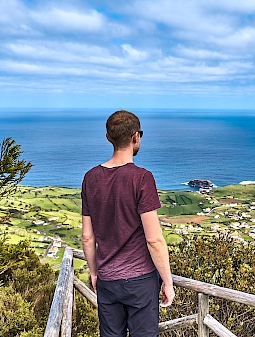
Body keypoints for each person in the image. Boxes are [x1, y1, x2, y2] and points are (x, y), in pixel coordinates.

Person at [81, 110, 175, 337]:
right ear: (135, 137)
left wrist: (95, 272)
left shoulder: (90, 178)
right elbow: (154, 240)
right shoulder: (142, 178)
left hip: (107, 281)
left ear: (108, 138)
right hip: (140, 282)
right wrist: (168, 282)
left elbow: (87, 237)